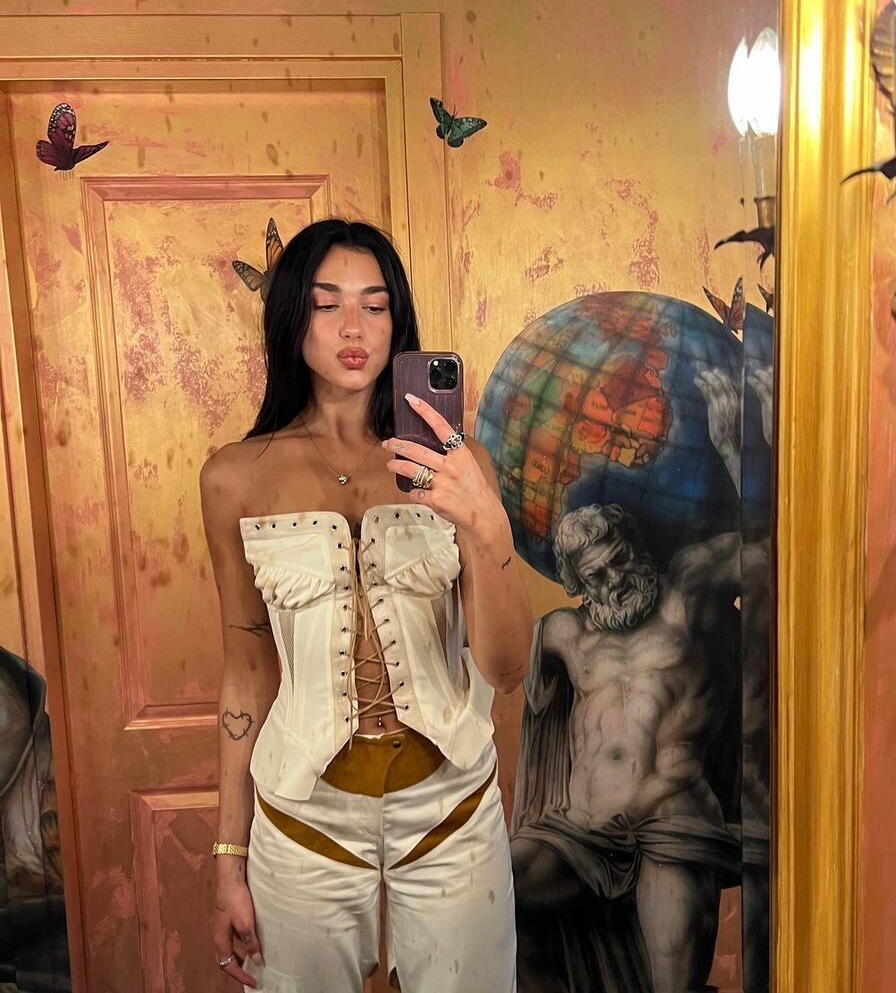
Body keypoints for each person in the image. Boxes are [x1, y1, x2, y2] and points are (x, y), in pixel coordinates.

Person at [199, 219, 532, 992]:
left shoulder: (460, 466)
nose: (355, 327)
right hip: (302, 818)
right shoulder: (233, 478)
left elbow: (507, 669)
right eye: (328, 304)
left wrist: (485, 525)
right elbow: (247, 673)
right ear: (293, 318)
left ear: (397, 322)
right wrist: (227, 859)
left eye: (375, 306)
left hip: (451, 808)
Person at [509, 367, 747, 993]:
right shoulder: (565, 633)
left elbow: (774, 554)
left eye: (620, 558)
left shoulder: (686, 595)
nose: (616, 579)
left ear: (636, 545)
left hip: (672, 826)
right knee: (492, 897)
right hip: (581, 831)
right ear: (577, 584)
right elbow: (492, 649)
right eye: (597, 575)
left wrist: (733, 450)